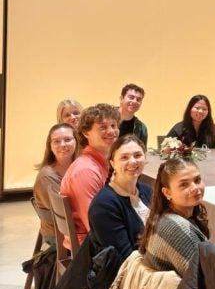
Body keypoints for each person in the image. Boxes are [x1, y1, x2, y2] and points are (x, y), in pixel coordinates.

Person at [60, 104, 121, 245]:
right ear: (86, 133)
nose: (111, 131)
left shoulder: (102, 162)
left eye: (113, 125)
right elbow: (95, 226)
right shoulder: (86, 171)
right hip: (90, 245)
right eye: (103, 127)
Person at [139, 157, 209, 276]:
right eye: (184, 185)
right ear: (167, 192)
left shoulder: (165, 216)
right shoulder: (177, 228)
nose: (195, 188)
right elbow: (205, 281)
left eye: (197, 180)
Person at [89, 135, 152, 259]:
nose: (133, 161)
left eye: (138, 155)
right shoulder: (104, 205)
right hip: (128, 271)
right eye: (124, 157)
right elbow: (125, 257)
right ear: (113, 163)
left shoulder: (148, 191)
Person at [33, 122, 78, 242]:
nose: (63, 145)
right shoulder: (46, 177)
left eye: (67, 139)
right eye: (56, 141)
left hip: (75, 228)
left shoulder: (81, 166)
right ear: (50, 145)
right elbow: (66, 215)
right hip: (59, 238)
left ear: (76, 142)